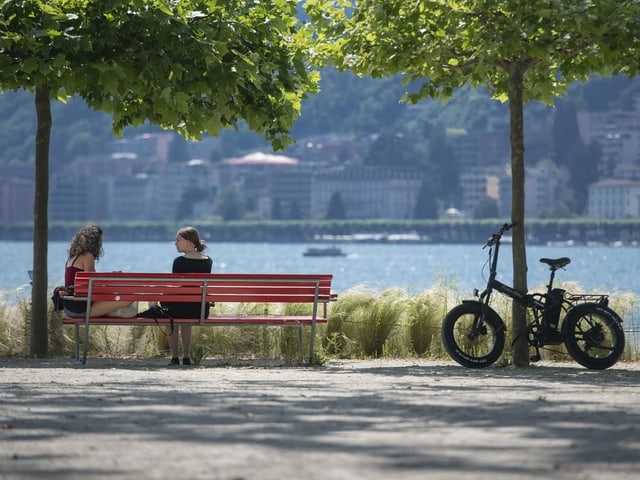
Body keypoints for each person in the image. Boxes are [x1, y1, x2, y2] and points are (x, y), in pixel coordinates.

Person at [165, 226, 213, 366]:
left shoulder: (179, 261)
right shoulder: (207, 261)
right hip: (200, 309)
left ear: (188, 243)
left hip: (182, 306)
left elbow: (175, 285)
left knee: (171, 318)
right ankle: (186, 356)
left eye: (178, 240)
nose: (175, 243)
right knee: (186, 315)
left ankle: (175, 357)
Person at [63, 223, 133, 318]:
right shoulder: (88, 256)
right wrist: (112, 280)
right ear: (94, 242)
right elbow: (94, 286)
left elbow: (89, 283)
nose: (101, 244)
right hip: (81, 308)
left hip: (68, 308)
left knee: (115, 302)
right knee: (128, 300)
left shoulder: (72, 258)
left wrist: (110, 277)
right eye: (100, 240)